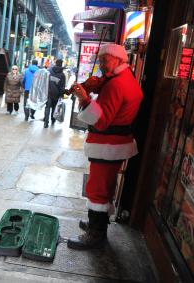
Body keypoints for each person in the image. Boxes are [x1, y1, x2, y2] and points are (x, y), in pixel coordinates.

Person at [67, 44, 143, 249]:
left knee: (98, 189)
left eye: (104, 60)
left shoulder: (117, 85)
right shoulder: (123, 78)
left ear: (118, 60)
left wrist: (84, 98)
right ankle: (96, 223)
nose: (100, 65)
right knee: (104, 186)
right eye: (100, 60)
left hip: (108, 144)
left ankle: (96, 234)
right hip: (114, 145)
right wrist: (96, 86)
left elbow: (101, 120)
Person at [44, 59, 66, 128]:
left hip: (48, 93)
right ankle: (53, 120)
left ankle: (45, 123)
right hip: (56, 94)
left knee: (47, 107)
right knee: (54, 108)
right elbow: (62, 87)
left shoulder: (50, 71)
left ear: (55, 63)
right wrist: (61, 95)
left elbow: (45, 81)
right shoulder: (62, 75)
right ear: (61, 64)